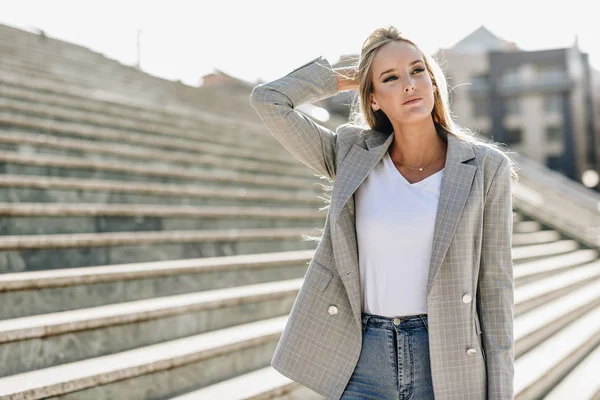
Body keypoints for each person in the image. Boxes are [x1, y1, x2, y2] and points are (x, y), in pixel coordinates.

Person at [250, 25, 518, 400]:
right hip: (363, 360)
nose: (409, 84)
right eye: (390, 78)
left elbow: (495, 288)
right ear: (372, 99)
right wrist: (345, 78)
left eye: (417, 70)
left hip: (447, 359)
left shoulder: (487, 168)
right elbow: (269, 100)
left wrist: (501, 391)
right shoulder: (350, 155)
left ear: (434, 82)